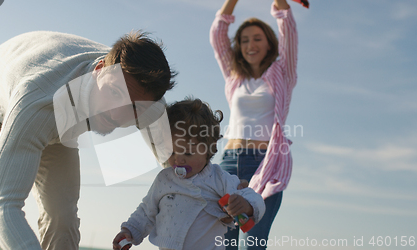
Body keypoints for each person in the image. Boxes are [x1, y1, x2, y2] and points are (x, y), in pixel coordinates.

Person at [0, 30, 176, 250]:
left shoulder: (151, 107)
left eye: (133, 108)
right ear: (99, 71)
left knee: (63, 219)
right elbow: (2, 208)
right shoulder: (40, 102)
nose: (116, 115)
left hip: (58, 124)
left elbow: (181, 173)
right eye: (115, 93)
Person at [112, 98, 266, 250]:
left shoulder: (219, 179)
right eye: (171, 152)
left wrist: (246, 205)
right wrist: (129, 231)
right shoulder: (164, 179)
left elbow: (253, 197)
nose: (178, 159)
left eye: (188, 152)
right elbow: (146, 212)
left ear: (208, 148)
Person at [210, 0, 300, 249]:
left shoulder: (284, 73)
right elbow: (218, 33)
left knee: (253, 243)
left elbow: (289, 30)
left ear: (270, 42)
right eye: (245, 40)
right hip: (228, 163)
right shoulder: (233, 76)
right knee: (223, 244)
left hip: (264, 164)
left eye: (257, 38)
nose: (251, 45)